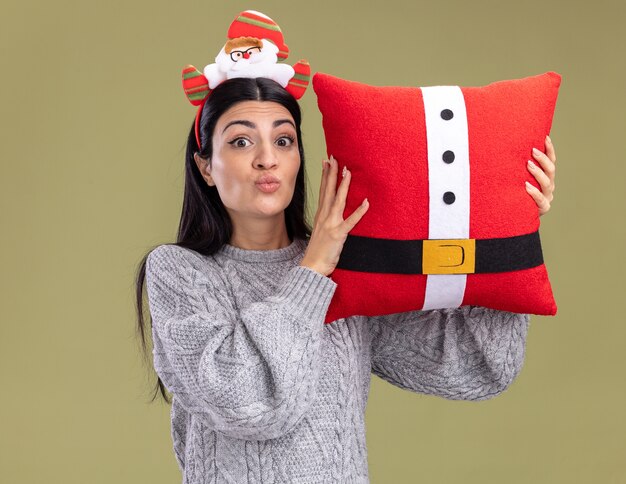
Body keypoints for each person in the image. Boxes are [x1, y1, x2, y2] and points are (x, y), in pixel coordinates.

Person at [134, 73, 557, 482]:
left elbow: (473, 367)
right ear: (205, 166)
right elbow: (247, 403)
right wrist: (313, 269)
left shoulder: (350, 273)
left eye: (283, 140)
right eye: (241, 141)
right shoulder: (180, 273)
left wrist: (508, 236)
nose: (268, 158)